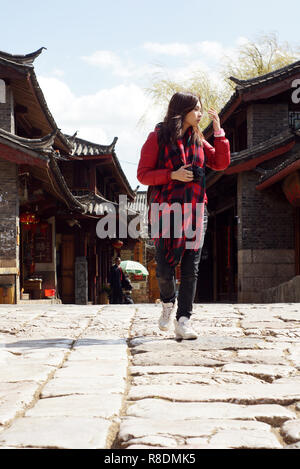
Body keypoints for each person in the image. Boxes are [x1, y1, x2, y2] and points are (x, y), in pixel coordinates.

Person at [137, 91, 230, 340]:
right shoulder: (158, 137)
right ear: (182, 110)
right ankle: (168, 303)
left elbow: (220, 163)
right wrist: (172, 175)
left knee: (191, 268)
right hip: (165, 209)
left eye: (201, 109)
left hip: (196, 209)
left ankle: (184, 320)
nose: (200, 114)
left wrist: (218, 132)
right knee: (165, 268)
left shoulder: (198, 139)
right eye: (196, 109)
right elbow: (143, 175)